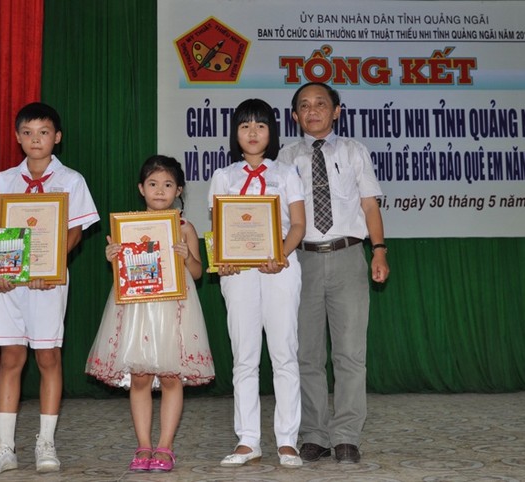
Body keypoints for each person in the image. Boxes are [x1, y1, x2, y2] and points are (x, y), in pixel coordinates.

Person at [0, 102, 100, 474]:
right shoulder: (4, 180)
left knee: (47, 357)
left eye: (43, 132)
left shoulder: (71, 180)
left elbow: (75, 231)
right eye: (27, 133)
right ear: (17, 137)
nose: (35, 139)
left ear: (57, 137)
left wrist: (50, 263)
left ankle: (45, 443)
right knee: (11, 358)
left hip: (48, 283)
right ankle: (5, 447)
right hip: (8, 285)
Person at [278, 82, 390, 464]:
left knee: (349, 354)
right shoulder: (284, 158)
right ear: (294, 116)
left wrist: (379, 250)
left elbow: (370, 207)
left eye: (320, 104)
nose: (313, 111)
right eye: (304, 106)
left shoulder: (355, 151)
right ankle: (314, 434)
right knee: (306, 355)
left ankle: (346, 436)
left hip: (348, 255)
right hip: (301, 260)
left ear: (336, 111)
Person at [85, 155, 214, 472]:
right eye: (153, 184)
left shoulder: (185, 227)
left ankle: (165, 447)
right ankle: (143, 445)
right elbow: (124, 273)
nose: (160, 190)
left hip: (176, 309)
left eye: (168, 184)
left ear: (179, 190)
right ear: (141, 188)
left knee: (172, 377)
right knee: (140, 377)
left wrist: (186, 257)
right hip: (137, 310)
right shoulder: (128, 227)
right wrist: (113, 256)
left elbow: (198, 273)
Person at [208, 99, 306, 468]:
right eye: (245, 125)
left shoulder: (287, 172)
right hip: (239, 274)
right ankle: (248, 440)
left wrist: (280, 253)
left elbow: (298, 224)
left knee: (284, 353)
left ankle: (287, 441)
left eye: (260, 125)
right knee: (244, 357)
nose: (252, 132)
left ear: (272, 132)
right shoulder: (223, 176)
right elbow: (217, 229)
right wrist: (222, 261)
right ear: (235, 133)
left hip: (281, 268)